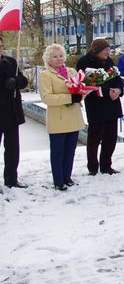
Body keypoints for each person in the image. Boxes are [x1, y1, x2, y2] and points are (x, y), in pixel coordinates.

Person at [38, 44, 85, 190]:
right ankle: (58, 180)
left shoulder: (72, 71)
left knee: (70, 150)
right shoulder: (45, 75)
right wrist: (70, 98)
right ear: (48, 59)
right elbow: (47, 98)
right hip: (58, 119)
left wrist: (80, 95)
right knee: (58, 152)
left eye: (60, 56)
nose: (58, 59)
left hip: (73, 117)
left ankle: (67, 176)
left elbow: (80, 88)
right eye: (54, 56)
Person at [76, 39, 123, 175]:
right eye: (105, 50)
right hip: (96, 105)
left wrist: (119, 90)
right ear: (96, 50)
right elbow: (83, 83)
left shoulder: (108, 61)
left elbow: (117, 78)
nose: (108, 52)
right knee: (94, 138)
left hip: (112, 104)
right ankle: (92, 167)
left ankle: (106, 165)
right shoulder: (84, 62)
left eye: (108, 49)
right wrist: (106, 90)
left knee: (111, 138)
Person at [0, 35, 28, 189]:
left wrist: (15, 82)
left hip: (11, 111)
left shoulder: (11, 61)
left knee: (12, 148)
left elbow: (23, 81)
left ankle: (11, 179)